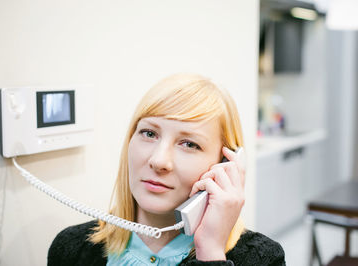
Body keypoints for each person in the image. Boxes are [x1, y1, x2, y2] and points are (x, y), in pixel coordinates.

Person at [47, 73, 285, 265]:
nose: (159, 161)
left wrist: (210, 252)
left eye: (189, 144)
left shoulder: (262, 259)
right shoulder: (71, 247)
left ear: (225, 166)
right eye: (149, 133)